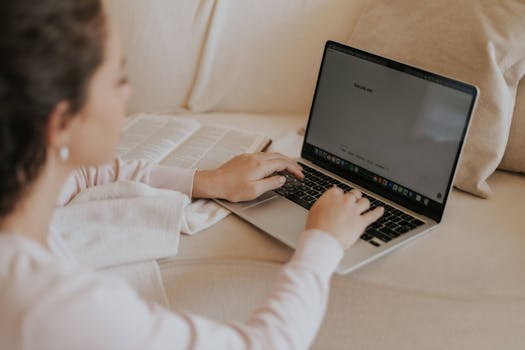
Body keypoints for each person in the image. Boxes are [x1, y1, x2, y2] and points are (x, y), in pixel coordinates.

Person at [0, 1, 384, 349]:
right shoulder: (54, 308)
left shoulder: (21, 183)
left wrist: (208, 181)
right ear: (62, 121)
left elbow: (85, 175)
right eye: (117, 79)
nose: (128, 93)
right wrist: (323, 242)